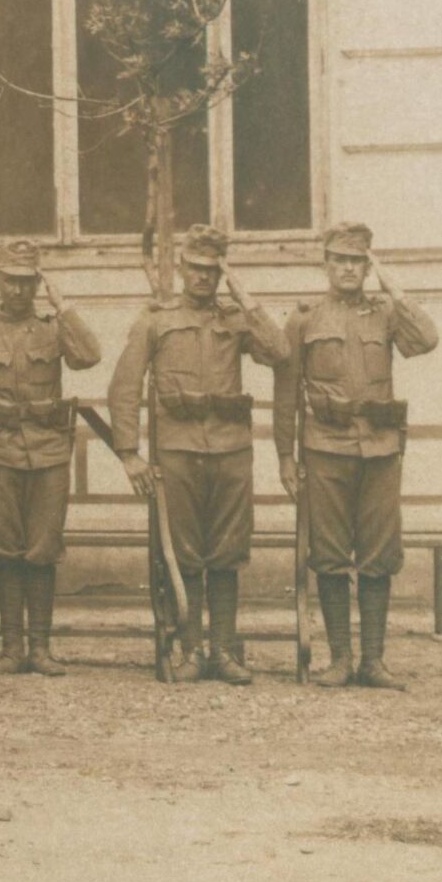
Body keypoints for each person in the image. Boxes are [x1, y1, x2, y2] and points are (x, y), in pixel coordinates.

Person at [107, 225, 288, 684]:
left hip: (231, 451)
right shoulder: (155, 320)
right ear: (182, 268)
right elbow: (124, 386)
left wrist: (245, 298)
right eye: (196, 268)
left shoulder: (236, 319)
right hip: (177, 453)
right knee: (182, 553)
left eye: (213, 269)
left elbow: (279, 351)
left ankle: (223, 652)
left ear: (221, 272)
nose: (203, 277)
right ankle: (190, 652)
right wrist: (129, 453)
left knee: (227, 553)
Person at [274, 222, 439, 688]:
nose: (348, 269)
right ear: (326, 264)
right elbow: (285, 393)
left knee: (378, 555)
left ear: (368, 267)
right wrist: (285, 457)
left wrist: (395, 289)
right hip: (325, 450)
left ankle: (373, 661)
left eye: (357, 261)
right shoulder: (304, 319)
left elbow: (426, 340)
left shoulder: (385, 314)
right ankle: (340, 660)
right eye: (340, 260)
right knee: (329, 555)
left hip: (380, 450)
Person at [0, 239, 102, 676]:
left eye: (27, 282)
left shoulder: (53, 330)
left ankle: (40, 649)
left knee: (43, 549)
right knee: (6, 549)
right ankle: (12, 648)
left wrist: (63, 306)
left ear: (37, 284)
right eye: (10, 281)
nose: (18, 290)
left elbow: (90, 355)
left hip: (49, 455)